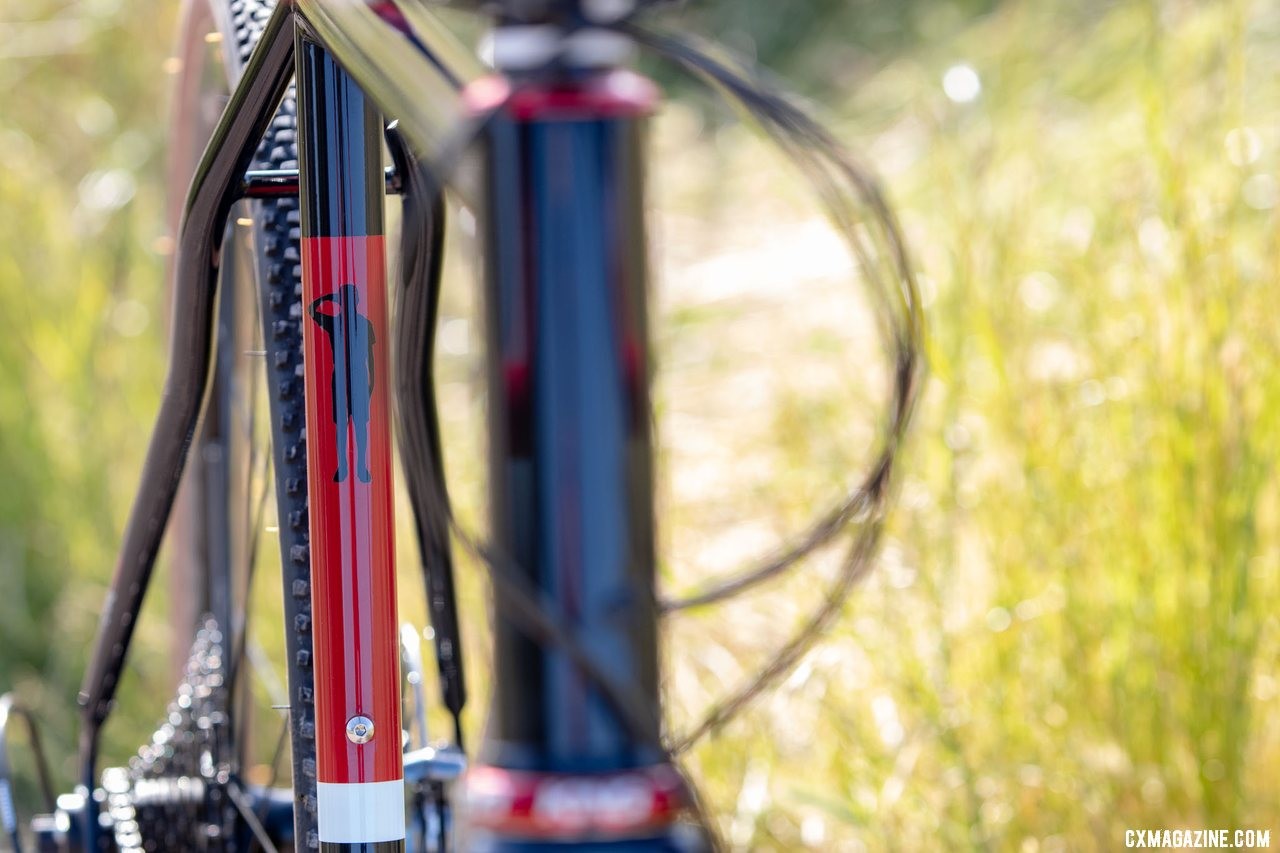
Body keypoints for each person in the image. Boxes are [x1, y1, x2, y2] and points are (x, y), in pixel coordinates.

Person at [309, 283, 376, 483]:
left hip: (358, 376)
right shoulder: (334, 322)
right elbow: (311, 310)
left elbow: (371, 358)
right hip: (340, 377)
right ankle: (343, 466)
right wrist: (329, 297)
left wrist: (370, 382)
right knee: (341, 426)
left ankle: (362, 467)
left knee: (361, 426)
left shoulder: (364, 324)